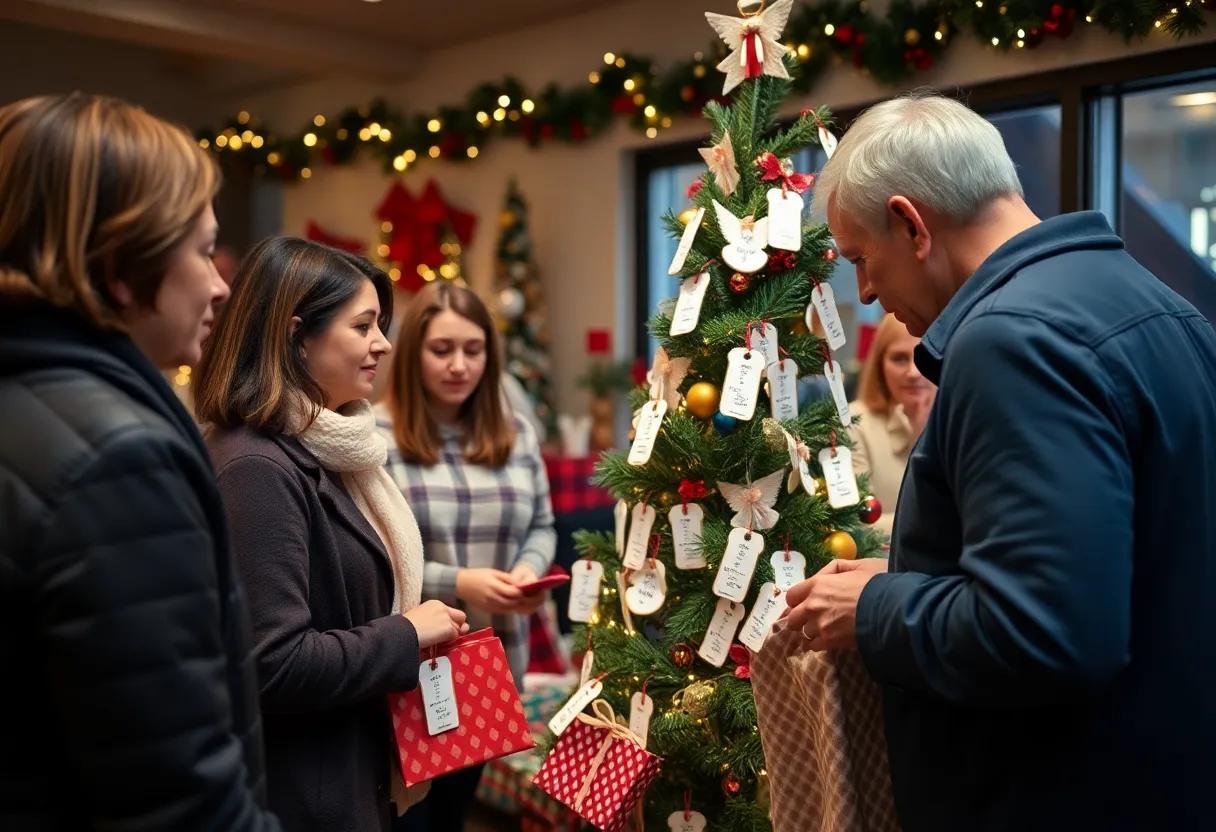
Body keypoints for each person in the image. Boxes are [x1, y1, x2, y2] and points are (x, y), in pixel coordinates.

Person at [784, 91, 1216, 831]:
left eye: (861, 259)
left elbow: (1044, 632)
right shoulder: (1163, 306)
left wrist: (875, 606)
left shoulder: (1010, 340)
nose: (867, 292)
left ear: (911, 224)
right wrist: (913, 573)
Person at [0, 93, 280, 831]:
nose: (221, 283)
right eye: (202, 250)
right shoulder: (118, 464)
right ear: (123, 266)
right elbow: (185, 803)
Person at [193, 238, 468, 832]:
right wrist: (405, 633)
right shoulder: (256, 467)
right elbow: (273, 663)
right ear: (297, 337)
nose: (383, 343)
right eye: (363, 326)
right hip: (302, 796)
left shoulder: (331, 448)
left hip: (347, 774)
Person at [378, 281, 557, 832]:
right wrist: (461, 581)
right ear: (413, 354)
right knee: (405, 818)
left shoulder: (516, 433)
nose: (459, 365)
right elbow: (378, 558)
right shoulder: (377, 436)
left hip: (491, 662)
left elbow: (541, 526)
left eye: (473, 350)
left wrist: (528, 570)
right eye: (441, 350)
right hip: (411, 666)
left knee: (453, 815)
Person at [846, 312, 935, 537]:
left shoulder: (964, 419)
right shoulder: (853, 423)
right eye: (899, 358)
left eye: (923, 356)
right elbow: (854, 524)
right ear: (879, 365)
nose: (913, 373)